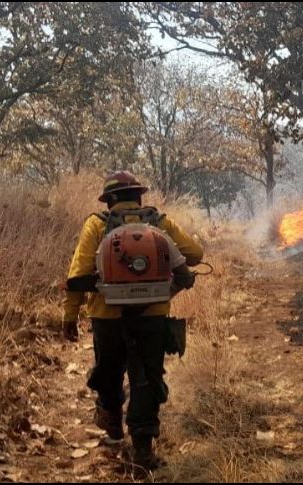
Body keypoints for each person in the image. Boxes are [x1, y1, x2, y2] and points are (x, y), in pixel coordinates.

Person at [62, 171, 203, 471]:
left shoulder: (97, 225)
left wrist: (69, 316)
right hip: (152, 315)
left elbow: (76, 276)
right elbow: (195, 253)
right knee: (147, 379)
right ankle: (142, 450)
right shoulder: (159, 223)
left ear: (110, 200)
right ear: (139, 196)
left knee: (109, 371)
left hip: (106, 316)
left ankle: (113, 424)